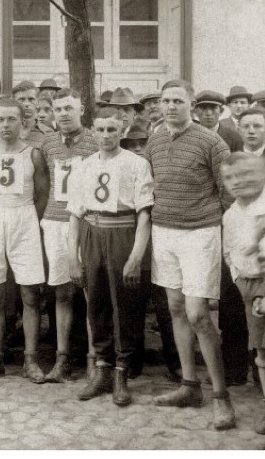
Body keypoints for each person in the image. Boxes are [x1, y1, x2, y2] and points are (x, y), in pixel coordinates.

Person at [144, 80, 235, 430]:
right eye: (166, 100)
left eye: (178, 101)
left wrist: (218, 230)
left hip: (201, 233)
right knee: (176, 308)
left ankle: (221, 397)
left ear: (192, 105)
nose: (170, 106)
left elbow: (228, 194)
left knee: (199, 314)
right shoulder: (154, 138)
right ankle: (189, 386)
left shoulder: (212, 142)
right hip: (164, 231)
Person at [66, 108, 154, 406]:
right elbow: (75, 214)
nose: (106, 136)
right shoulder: (84, 165)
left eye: (112, 130)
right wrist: (72, 256)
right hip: (93, 233)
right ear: (92, 131)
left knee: (125, 305)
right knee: (98, 304)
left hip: (123, 234)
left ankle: (122, 371)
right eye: (101, 130)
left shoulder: (136, 163)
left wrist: (136, 256)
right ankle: (102, 369)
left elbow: (144, 214)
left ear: (122, 131)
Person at [0, 99, 50, 383]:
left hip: (25, 219)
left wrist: (29, 221)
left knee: (30, 294)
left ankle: (30, 360)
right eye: (1, 120)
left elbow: (41, 196)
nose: (6, 125)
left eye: (11, 119)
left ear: (22, 122)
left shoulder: (33, 155)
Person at [39, 87, 100, 382]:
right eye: (58, 108)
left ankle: (93, 359)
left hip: (87, 223)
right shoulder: (47, 143)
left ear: (82, 109)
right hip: (54, 221)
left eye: (68, 108)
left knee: (90, 292)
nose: (63, 114)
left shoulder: (95, 140)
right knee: (61, 291)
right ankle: (62, 360)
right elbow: (42, 186)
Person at [220, 152, 265, 435]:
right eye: (230, 178)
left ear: (262, 173)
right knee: (262, 353)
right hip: (251, 287)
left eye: (244, 174)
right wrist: (240, 281)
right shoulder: (230, 215)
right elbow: (230, 252)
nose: (237, 182)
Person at [120, 127, 182, 381]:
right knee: (132, 308)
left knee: (168, 309)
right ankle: (133, 361)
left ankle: (176, 363)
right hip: (134, 251)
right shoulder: (124, 173)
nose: (137, 149)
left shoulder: (163, 173)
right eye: (131, 144)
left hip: (162, 250)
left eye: (141, 143)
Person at [237, 108, 265, 182]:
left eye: (257, 126)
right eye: (246, 126)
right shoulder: (229, 160)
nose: (251, 131)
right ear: (239, 131)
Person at [13, 81, 54, 148]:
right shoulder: (3, 131)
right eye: (21, 100)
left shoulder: (48, 133)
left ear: (37, 102)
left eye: (31, 99)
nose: (26, 104)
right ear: (14, 102)